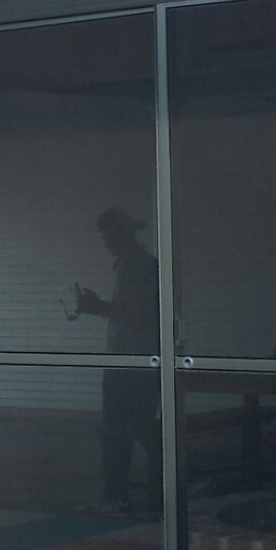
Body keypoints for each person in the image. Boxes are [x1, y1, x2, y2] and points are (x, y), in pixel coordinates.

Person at [72, 208, 162, 514]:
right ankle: (161, 489)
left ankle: (115, 496)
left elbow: (136, 316)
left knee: (115, 430)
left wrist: (97, 307)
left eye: (106, 236)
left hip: (128, 361)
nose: (104, 242)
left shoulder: (133, 268)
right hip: (143, 359)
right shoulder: (146, 264)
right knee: (142, 426)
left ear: (118, 235)